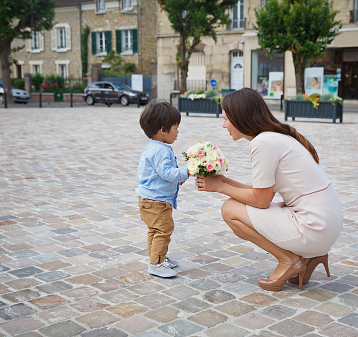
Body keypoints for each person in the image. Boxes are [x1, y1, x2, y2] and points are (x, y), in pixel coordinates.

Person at [195, 88, 343, 291]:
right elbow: (263, 192)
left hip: (314, 226)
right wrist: (223, 180)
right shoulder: (276, 137)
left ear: (240, 117)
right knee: (237, 204)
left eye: (226, 119)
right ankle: (309, 257)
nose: (224, 125)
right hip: (327, 222)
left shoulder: (262, 142)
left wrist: (220, 187)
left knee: (230, 210)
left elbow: (261, 201)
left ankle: (289, 260)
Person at [136, 100, 189, 278]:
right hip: (157, 203)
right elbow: (166, 173)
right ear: (163, 129)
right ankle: (156, 264)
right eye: (175, 127)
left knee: (154, 230)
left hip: (147, 200)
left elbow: (158, 175)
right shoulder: (161, 150)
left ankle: (158, 258)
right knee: (163, 231)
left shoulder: (155, 147)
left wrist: (176, 180)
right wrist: (187, 172)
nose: (178, 132)